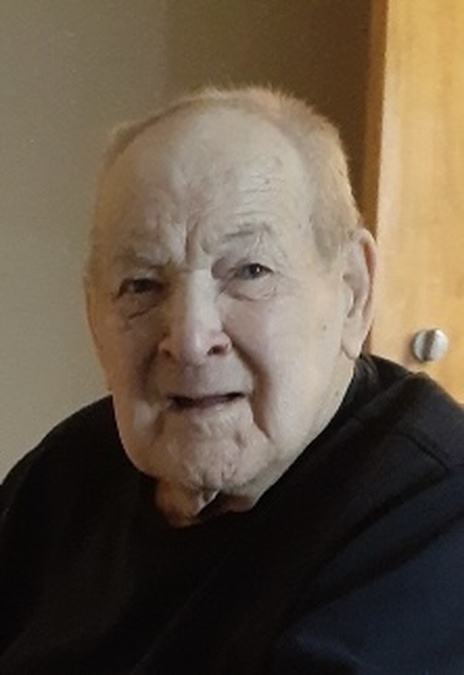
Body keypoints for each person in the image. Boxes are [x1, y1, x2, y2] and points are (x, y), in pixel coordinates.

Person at [1, 86, 464, 674]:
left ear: (352, 291)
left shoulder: (435, 517)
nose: (191, 339)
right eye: (141, 285)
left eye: (250, 271)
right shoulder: (65, 474)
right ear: (94, 317)